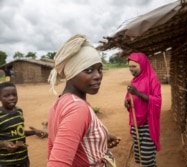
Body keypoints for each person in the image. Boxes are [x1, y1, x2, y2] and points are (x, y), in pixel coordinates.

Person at [47, 34, 120, 167]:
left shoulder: (59, 103)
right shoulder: (78, 108)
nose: (98, 76)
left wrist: (100, 140)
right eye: (89, 70)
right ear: (72, 72)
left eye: (100, 69)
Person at [124, 52, 162, 167]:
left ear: (143, 64)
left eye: (134, 66)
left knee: (146, 158)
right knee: (144, 157)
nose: (131, 69)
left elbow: (157, 101)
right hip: (136, 123)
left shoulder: (152, 79)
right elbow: (129, 97)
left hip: (148, 123)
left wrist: (138, 93)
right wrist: (127, 102)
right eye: (129, 67)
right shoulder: (134, 81)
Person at [0, 82, 47, 167]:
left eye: (14, 95)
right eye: (7, 96)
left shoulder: (19, 111)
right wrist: (4, 144)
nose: (12, 98)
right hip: (6, 162)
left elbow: (19, 132)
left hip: (23, 159)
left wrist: (33, 132)